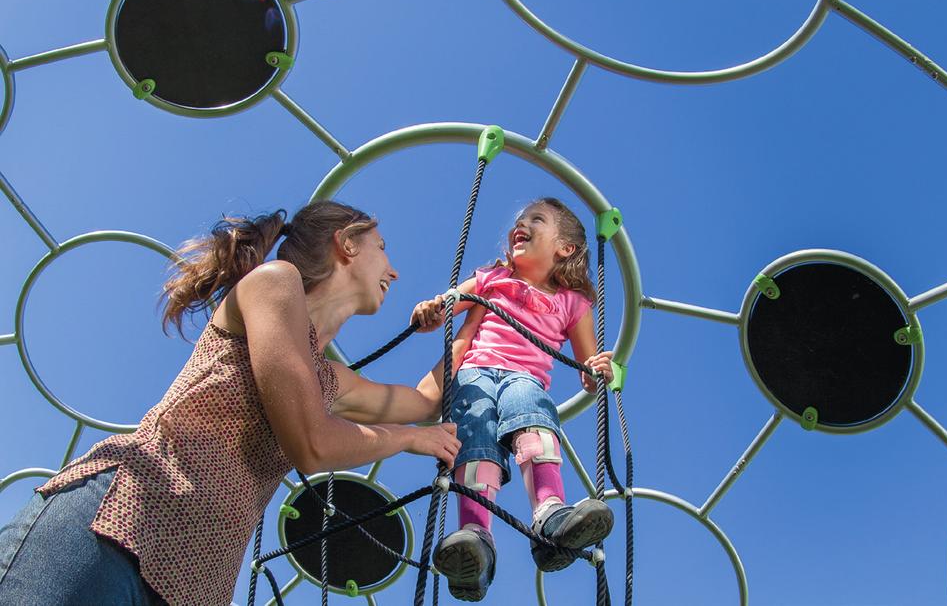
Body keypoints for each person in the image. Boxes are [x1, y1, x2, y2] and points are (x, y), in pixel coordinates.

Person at [0, 201, 459, 606]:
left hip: (195, 583)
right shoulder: (276, 284)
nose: (394, 270)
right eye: (383, 247)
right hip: (120, 526)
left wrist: (478, 304)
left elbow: (424, 402)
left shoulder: (330, 378)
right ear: (347, 245)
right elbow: (312, 443)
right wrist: (408, 441)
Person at [410, 197, 615, 601]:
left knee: (532, 410)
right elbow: (449, 306)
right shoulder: (492, 278)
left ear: (565, 248)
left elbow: (588, 365)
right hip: (475, 372)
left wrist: (599, 371)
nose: (520, 225)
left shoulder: (573, 303)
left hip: (525, 377)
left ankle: (550, 516)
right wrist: (432, 310)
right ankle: (476, 538)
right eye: (519, 220)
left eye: (536, 220)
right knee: (475, 436)